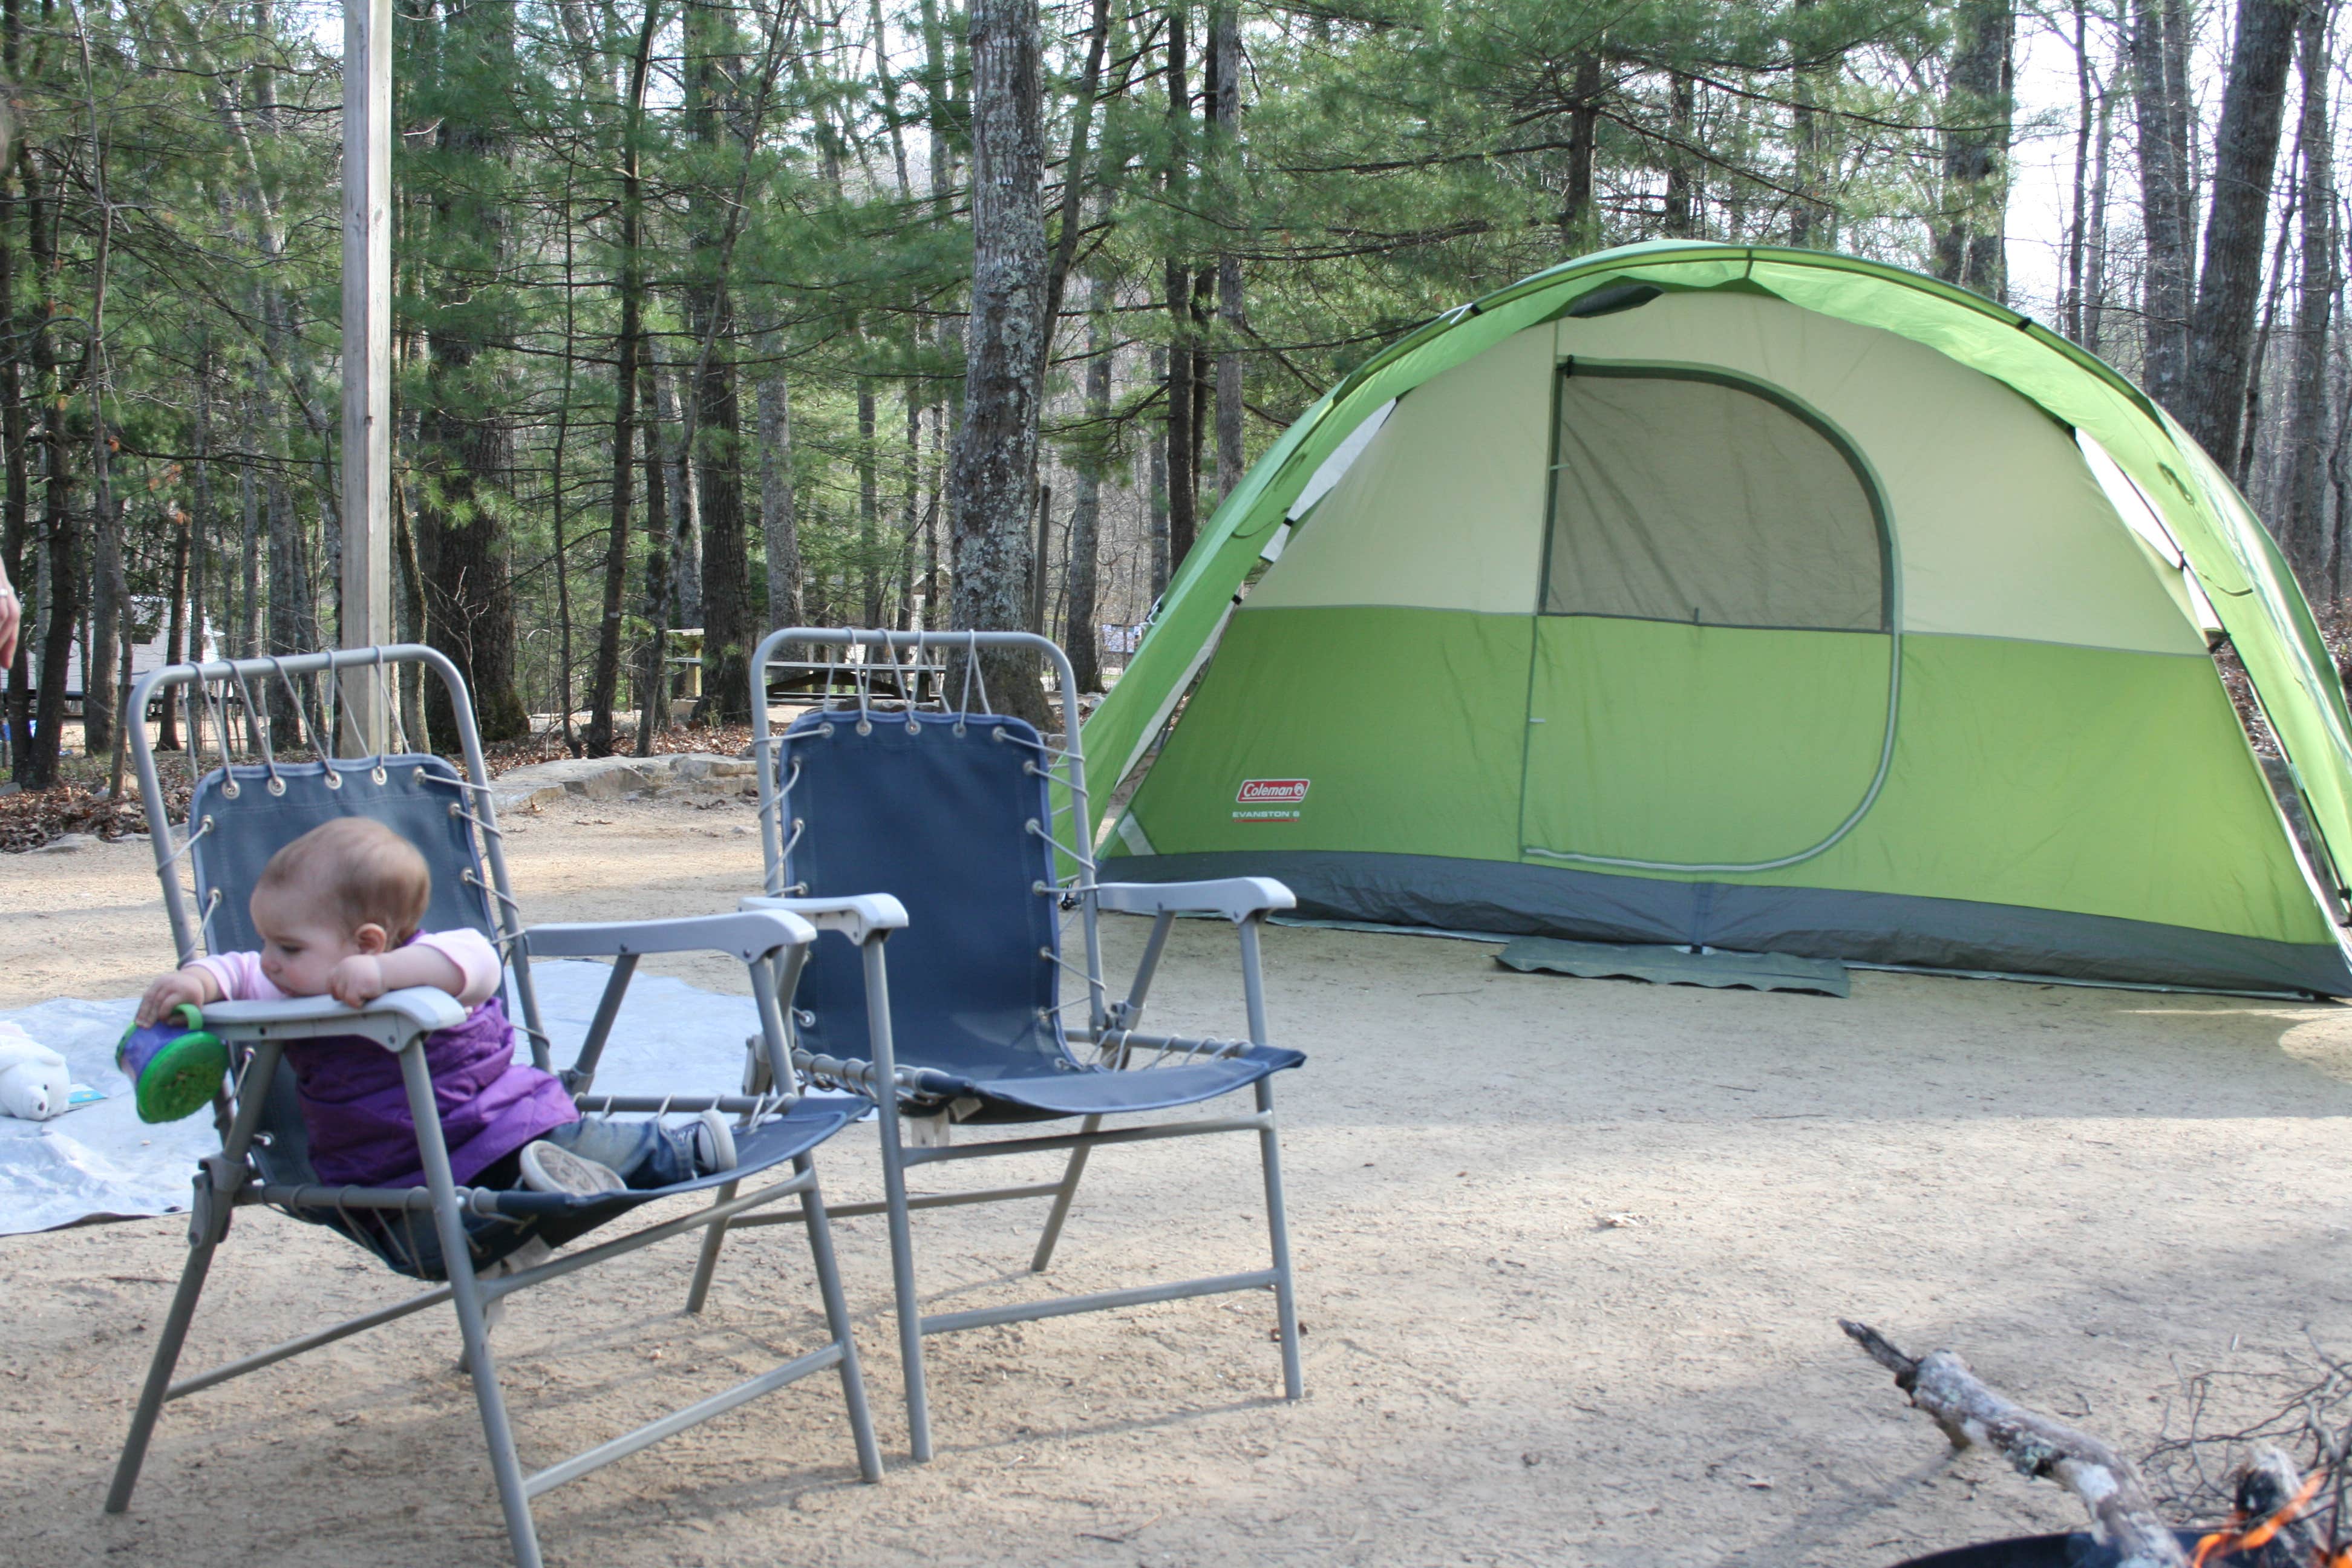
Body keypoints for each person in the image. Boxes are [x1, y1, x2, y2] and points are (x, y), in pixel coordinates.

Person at [134, 817, 736, 1203]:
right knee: (552, 1157)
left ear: (370, 941)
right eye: (267, 942)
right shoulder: (289, 984)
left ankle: (676, 1153)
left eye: (286, 946)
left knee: (580, 1141)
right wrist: (195, 982)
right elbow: (234, 970)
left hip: (491, 1117)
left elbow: (479, 963)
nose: (267, 960)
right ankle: (530, 1203)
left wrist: (384, 977)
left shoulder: (423, 961)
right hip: (388, 1167)